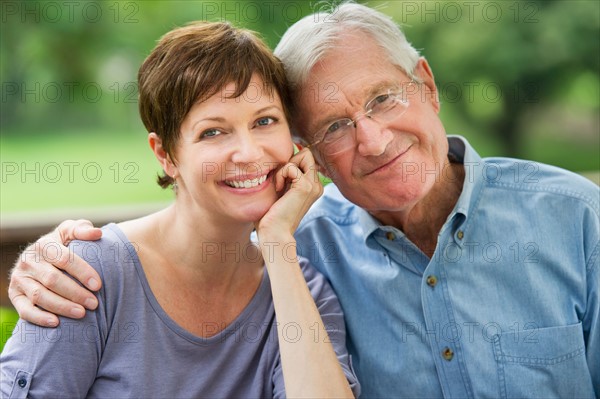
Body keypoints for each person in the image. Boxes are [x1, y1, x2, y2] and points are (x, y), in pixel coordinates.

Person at [7, 2, 599, 398]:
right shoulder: (298, 253)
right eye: (335, 126)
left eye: (384, 99)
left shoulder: (574, 218)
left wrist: (280, 247)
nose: (372, 139)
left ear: (428, 84)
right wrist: (44, 257)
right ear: (306, 148)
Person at [1, 21, 360, 398]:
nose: (250, 153)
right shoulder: (88, 273)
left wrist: (276, 242)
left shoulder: (302, 289)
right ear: (166, 154)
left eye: (264, 122)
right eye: (212, 132)